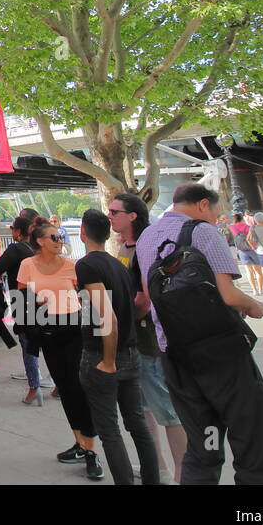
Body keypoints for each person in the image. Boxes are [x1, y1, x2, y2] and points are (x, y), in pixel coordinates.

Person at [136, 182, 263, 485]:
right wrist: (255, 306)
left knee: (203, 444)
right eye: (216, 211)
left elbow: (150, 296)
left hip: (175, 354)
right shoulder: (202, 231)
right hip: (221, 354)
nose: (216, 217)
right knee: (252, 440)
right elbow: (228, 295)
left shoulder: (146, 236)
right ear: (203, 204)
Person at [75, 210, 158, 484]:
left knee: (109, 431)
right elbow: (133, 307)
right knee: (137, 425)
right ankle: (152, 479)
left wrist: (108, 360)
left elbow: (106, 316)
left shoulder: (87, 266)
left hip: (102, 356)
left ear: (83, 233)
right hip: (131, 354)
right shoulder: (119, 265)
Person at [20, 222, 102, 480]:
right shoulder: (27, 265)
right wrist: (38, 304)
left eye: (61, 236)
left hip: (75, 329)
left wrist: (94, 332)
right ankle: (79, 443)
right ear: (40, 241)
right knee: (65, 389)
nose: (59, 240)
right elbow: (22, 302)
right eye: (54, 236)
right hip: (47, 332)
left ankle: (91, 451)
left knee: (79, 387)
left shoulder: (72, 265)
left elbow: (87, 300)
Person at [116, 196, 185, 484]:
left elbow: (143, 298)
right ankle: (157, 467)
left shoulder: (146, 245)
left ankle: (183, 473)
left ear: (132, 216)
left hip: (149, 338)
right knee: (143, 408)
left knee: (167, 411)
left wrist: (119, 318)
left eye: (114, 212)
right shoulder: (124, 247)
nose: (110, 216)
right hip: (134, 339)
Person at [0, 216, 50, 403]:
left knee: (29, 344)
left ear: (17, 231)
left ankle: (34, 388)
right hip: (45, 297)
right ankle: (58, 384)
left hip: (23, 300)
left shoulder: (16, 249)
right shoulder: (38, 248)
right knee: (50, 344)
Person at [229, 212, 263, 295]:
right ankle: (260, 289)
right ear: (242, 219)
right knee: (258, 271)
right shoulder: (248, 227)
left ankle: (254, 290)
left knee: (249, 271)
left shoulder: (232, 227)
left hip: (241, 251)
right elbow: (254, 238)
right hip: (252, 249)